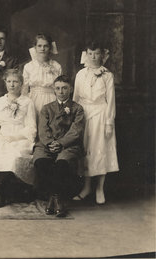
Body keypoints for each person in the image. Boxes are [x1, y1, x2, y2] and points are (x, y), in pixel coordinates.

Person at [0, 69, 36, 209]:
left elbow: (31, 127)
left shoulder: (28, 102)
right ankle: (4, 194)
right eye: (9, 81)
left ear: (22, 84)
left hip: (21, 137)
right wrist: (1, 137)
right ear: (5, 83)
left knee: (13, 156)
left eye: (16, 81)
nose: (12, 85)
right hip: (2, 136)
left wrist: (14, 137)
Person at [72, 41, 119, 204]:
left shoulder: (108, 76)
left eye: (97, 53)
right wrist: (73, 118)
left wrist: (108, 123)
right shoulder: (80, 74)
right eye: (90, 53)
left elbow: (110, 101)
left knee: (100, 150)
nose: (93, 57)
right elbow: (75, 98)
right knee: (85, 151)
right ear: (86, 54)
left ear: (102, 55)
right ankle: (86, 187)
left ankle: (100, 188)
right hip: (84, 114)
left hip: (101, 113)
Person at [33, 75, 85, 217]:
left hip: (68, 145)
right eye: (58, 88)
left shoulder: (77, 109)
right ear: (54, 90)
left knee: (61, 164)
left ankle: (54, 200)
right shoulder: (46, 108)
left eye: (64, 88)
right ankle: (56, 198)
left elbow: (76, 131)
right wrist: (50, 143)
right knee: (41, 162)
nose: (61, 92)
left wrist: (61, 143)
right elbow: (43, 130)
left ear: (71, 89)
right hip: (46, 145)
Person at [22, 33, 62, 117]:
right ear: (35, 47)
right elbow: (24, 90)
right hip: (33, 100)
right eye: (39, 46)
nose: (42, 49)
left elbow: (60, 88)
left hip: (52, 100)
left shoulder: (56, 66)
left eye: (45, 46)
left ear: (50, 47)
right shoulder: (29, 67)